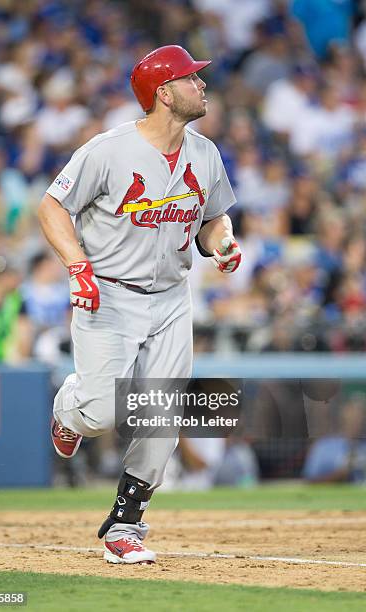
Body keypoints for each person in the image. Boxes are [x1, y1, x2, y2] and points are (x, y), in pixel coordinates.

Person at [38, 45, 241, 565]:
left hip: (172, 296)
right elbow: (52, 206)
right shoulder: (108, 150)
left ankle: (126, 524)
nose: (202, 84)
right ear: (164, 93)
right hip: (108, 291)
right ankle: (70, 410)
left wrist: (222, 242)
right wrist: (76, 265)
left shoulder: (206, 153)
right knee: (103, 412)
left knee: (161, 412)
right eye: (191, 78)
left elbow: (214, 217)